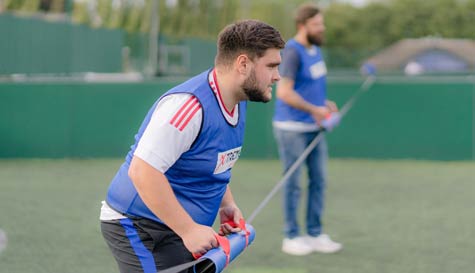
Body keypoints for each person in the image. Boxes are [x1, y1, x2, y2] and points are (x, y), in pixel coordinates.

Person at [99, 20, 285, 273]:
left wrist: (225, 203)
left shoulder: (238, 100)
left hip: (175, 226)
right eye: (272, 66)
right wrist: (187, 230)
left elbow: (214, 161)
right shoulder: (188, 106)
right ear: (243, 64)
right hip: (139, 225)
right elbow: (142, 171)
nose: (277, 75)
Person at [272, 3, 343, 256]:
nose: (321, 28)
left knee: (319, 180)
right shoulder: (292, 51)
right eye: (316, 24)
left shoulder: (315, 51)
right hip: (292, 128)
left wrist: (323, 104)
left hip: (314, 127)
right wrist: (315, 110)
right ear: (303, 26)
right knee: (293, 184)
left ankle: (314, 234)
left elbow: (308, 87)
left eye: (322, 24)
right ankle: (291, 236)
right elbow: (284, 92)